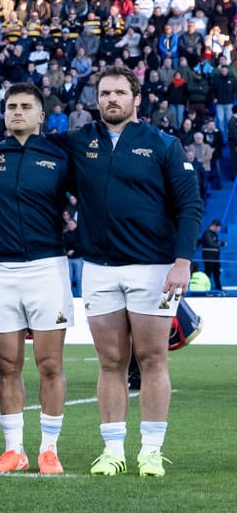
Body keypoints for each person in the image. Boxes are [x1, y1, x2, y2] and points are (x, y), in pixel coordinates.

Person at [71, 67, 201, 477]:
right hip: (99, 269)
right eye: (105, 93)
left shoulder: (163, 144)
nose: (112, 99)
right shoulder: (79, 142)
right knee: (110, 361)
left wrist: (182, 262)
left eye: (120, 92)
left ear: (136, 98)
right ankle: (112, 451)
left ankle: (150, 451)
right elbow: (29, 149)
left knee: (152, 359)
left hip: (153, 268)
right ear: (96, 99)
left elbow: (190, 206)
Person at [0, 83, 75, 473]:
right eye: (11, 107)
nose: (17, 112)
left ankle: (49, 449)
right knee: (7, 364)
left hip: (47, 268)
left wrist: (77, 237)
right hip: (0, 271)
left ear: (42, 116)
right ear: (3, 114)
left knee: (50, 364)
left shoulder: (60, 155)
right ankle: (14, 450)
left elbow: (92, 196)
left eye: (25, 107)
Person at [202, 220, 223, 290]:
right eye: (218, 228)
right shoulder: (207, 233)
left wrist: (219, 244)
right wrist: (220, 244)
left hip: (215, 258)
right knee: (208, 274)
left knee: (217, 273)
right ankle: (206, 289)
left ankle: (219, 289)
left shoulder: (214, 234)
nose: (218, 230)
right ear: (214, 225)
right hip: (209, 257)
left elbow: (215, 243)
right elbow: (211, 243)